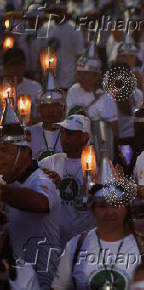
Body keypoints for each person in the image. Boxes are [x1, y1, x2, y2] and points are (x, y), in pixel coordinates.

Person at [51, 177, 144, 290]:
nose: (109, 212)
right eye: (102, 206)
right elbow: (58, 286)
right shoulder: (76, 245)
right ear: (93, 209)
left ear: (126, 208)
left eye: (115, 205)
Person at [0, 101, 61, 289]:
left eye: (5, 152)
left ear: (25, 152)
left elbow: (41, 203)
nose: (0, 158)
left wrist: (2, 192)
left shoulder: (43, 179)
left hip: (44, 281)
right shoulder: (9, 181)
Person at [38, 114, 97, 247]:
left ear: (84, 137)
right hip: (53, 243)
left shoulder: (98, 165)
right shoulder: (49, 162)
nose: (63, 139)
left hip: (86, 244)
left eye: (69, 134)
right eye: (62, 133)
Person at [2, 48, 42, 123]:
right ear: (5, 67)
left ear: (25, 66)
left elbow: (42, 117)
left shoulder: (35, 87)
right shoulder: (2, 89)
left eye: (20, 64)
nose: (16, 68)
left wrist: (31, 121)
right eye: (12, 64)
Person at [27, 88, 64, 161]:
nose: (50, 110)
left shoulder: (71, 133)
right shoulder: (29, 133)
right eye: (45, 106)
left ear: (63, 108)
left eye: (55, 105)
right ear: (39, 109)